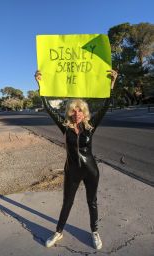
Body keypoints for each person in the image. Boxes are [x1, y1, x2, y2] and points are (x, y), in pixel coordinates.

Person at [35, 69, 118, 250]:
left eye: (80, 110)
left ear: (84, 112)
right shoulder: (65, 127)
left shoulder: (90, 127)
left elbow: (106, 105)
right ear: (70, 112)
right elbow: (48, 108)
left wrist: (111, 84)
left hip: (91, 170)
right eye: (74, 110)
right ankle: (58, 231)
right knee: (67, 202)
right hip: (71, 170)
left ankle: (94, 232)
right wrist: (40, 84)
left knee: (92, 201)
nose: (77, 113)